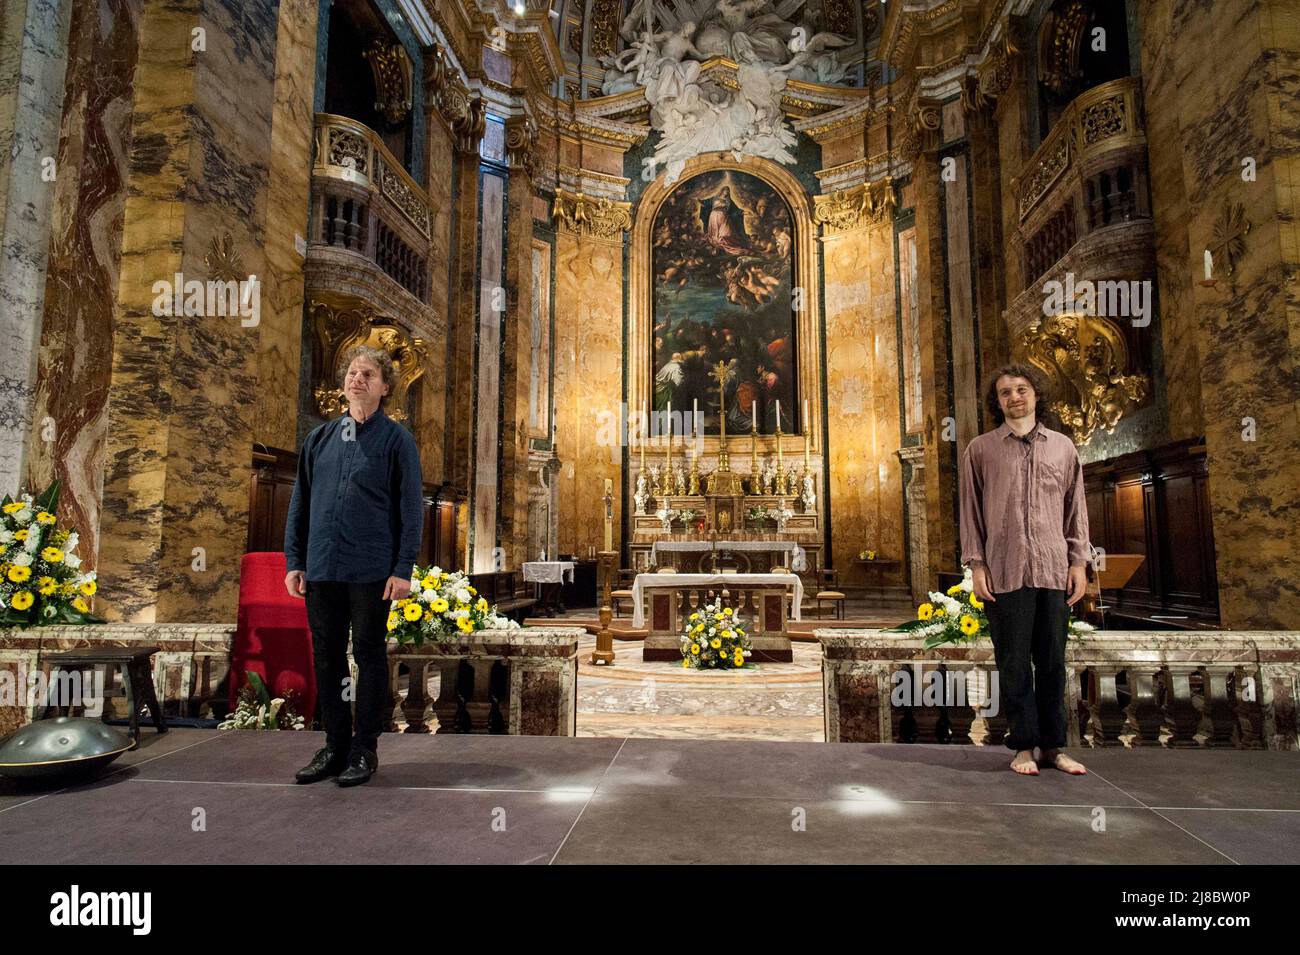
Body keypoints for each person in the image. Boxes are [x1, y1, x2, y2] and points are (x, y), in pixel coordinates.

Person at [284, 345, 423, 787]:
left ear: (385, 387)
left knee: (367, 655)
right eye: (351, 372)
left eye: (367, 374)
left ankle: (365, 747)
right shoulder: (318, 440)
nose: (356, 379)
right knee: (326, 657)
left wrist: (403, 568)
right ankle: (334, 744)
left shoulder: (397, 440)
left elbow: (410, 510)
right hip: (322, 567)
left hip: (371, 570)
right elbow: (299, 503)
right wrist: (295, 560)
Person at [958, 363, 1090, 777]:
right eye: (1004, 392)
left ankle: (1052, 746)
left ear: (1036, 395)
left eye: (1021, 389)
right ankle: (1021, 746)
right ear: (996, 402)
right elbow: (971, 513)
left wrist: (1079, 563)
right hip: (1004, 570)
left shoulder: (1064, 448)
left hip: (1053, 569)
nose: (1014, 397)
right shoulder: (980, 450)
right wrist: (977, 565)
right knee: (1013, 662)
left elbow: (1076, 510)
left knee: (1052, 662)